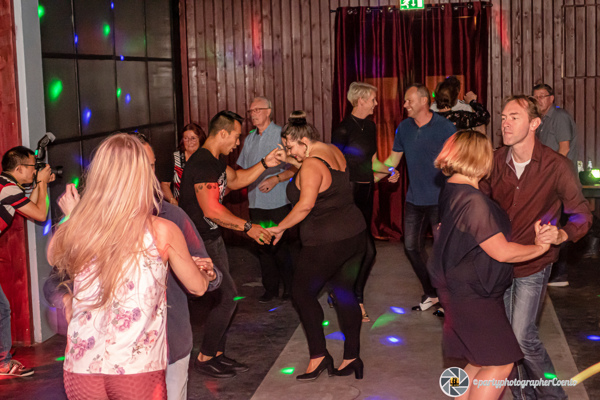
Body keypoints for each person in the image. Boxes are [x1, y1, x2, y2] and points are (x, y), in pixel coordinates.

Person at [48, 133, 221, 400]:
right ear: (141, 175)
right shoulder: (162, 230)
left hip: (82, 368)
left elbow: (54, 259)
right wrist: (203, 271)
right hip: (135, 369)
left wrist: (73, 216)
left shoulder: (81, 227)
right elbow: (198, 288)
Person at [480, 95, 592, 400]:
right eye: (503, 117)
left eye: (514, 117)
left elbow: (582, 213)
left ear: (534, 124)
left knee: (522, 336)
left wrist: (562, 234)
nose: (505, 123)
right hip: (499, 262)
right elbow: (479, 202)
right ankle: (523, 396)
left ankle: (554, 396)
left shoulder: (556, 166)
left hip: (534, 262)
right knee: (506, 340)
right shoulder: (494, 162)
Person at [430, 130, 550, 400]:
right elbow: (502, 252)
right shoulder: (473, 200)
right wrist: (540, 248)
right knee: (500, 363)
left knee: (478, 360)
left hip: (459, 288)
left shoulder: (452, 188)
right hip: (473, 295)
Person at [179, 110, 281, 378]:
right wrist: (248, 227)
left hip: (212, 238)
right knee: (226, 298)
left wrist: (266, 163)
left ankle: (216, 354)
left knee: (221, 299)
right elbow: (211, 210)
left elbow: (236, 180)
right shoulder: (202, 163)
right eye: (235, 137)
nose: (237, 143)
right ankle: (204, 358)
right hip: (200, 241)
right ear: (222, 133)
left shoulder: (215, 160)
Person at [267, 111, 366, 381]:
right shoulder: (333, 151)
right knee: (344, 293)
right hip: (354, 235)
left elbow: (305, 205)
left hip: (326, 241)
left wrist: (280, 227)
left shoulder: (311, 164)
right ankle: (352, 358)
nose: (290, 152)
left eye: (290, 147)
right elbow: (319, 173)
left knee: (301, 293)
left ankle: (319, 356)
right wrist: (290, 159)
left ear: (303, 141)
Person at [377, 84, 456, 314]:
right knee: (411, 248)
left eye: (408, 101)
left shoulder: (445, 127)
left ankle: (448, 299)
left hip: (441, 200)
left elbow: (458, 161)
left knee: (443, 252)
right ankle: (432, 293)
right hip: (414, 200)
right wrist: (380, 173)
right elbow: (392, 161)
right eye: (404, 101)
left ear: (424, 101)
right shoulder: (404, 128)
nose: (405, 105)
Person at [332, 82, 389, 322]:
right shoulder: (343, 129)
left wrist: (389, 170)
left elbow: (373, 162)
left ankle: (339, 292)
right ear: (361, 100)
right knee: (366, 251)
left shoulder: (370, 126)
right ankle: (356, 300)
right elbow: (334, 166)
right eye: (373, 99)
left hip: (366, 193)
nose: (376, 104)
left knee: (357, 251)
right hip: (349, 195)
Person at [0, 146, 54, 377]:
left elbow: (30, 207)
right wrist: (42, 184)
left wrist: (41, 184)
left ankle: (3, 361)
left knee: (2, 309)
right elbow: (40, 214)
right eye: (33, 167)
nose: (35, 171)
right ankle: (3, 363)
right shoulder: (9, 189)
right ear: (19, 168)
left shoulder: (6, 186)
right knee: (2, 310)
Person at [237, 97, 296, 303]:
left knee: (281, 248)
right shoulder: (250, 139)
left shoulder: (281, 134)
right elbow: (243, 170)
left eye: (257, 110)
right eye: (251, 111)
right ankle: (270, 289)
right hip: (256, 202)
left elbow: (297, 166)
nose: (253, 114)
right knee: (262, 247)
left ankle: (290, 288)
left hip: (278, 201)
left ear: (269, 111)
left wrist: (276, 178)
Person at [160, 123, 207, 206]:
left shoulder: (206, 158)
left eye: (193, 138)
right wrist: (172, 200)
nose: (189, 142)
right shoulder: (174, 158)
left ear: (200, 139)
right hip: (180, 207)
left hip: (203, 207)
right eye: (186, 138)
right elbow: (165, 184)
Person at [532, 83, 578, 165]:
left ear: (551, 99)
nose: (538, 100)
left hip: (560, 170)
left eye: (542, 97)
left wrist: (553, 168)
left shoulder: (560, 116)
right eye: (535, 97)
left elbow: (565, 149)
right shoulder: (540, 118)